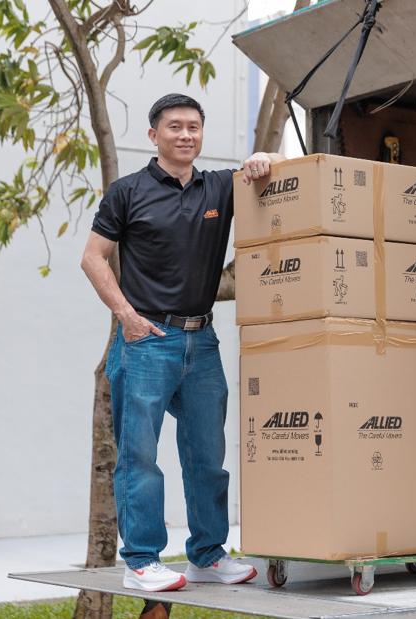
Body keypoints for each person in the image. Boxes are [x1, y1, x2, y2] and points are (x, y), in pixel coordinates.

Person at [81, 93, 283, 592]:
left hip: (201, 340)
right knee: (139, 458)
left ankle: (207, 556)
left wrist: (266, 158)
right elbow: (92, 257)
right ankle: (141, 561)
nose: (186, 134)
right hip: (146, 339)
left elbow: (279, 169)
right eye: (175, 126)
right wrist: (126, 316)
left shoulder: (219, 187)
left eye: (194, 126)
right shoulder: (127, 192)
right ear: (154, 135)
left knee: (207, 455)